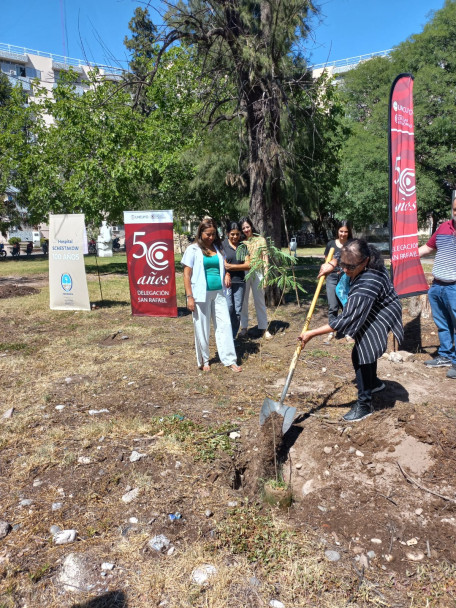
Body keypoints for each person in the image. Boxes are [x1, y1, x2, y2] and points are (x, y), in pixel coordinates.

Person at [298, 239, 404, 422]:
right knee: (364, 349)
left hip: (382, 311)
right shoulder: (359, 254)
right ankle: (373, 383)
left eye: (350, 267)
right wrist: (331, 265)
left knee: (362, 352)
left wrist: (311, 333)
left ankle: (364, 404)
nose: (345, 271)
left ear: (364, 261)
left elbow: (346, 318)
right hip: (372, 305)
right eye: (343, 265)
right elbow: (342, 255)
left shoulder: (368, 281)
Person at [182, 218, 242, 373]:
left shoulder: (218, 248)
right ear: (200, 233)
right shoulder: (193, 249)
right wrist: (189, 297)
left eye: (213, 234)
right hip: (200, 294)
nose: (210, 237)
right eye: (208, 234)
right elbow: (187, 275)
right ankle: (204, 359)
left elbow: (222, 266)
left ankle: (229, 359)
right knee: (201, 327)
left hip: (219, 293)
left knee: (225, 325)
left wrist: (227, 274)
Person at [418, 197, 456, 379]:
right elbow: (427, 248)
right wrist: (405, 255)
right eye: (455, 210)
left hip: (454, 288)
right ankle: (446, 355)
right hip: (437, 286)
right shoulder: (443, 228)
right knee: (442, 324)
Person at [319, 220, 353, 344]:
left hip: (347, 278)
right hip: (332, 278)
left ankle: (348, 331)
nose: (343, 234)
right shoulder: (331, 244)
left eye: (345, 231)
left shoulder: (351, 244)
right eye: (341, 231)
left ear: (349, 232)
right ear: (337, 231)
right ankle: (331, 331)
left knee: (346, 305)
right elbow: (326, 261)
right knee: (332, 306)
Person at [238, 217, 271, 339]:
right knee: (244, 300)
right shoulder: (241, 242)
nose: (246, 230)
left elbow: (265, 258)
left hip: (258, 271)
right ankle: (244, 327)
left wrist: (266, 276)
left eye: (247, 227)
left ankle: (263, 328)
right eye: (243, 228)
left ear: (251, 226)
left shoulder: (260, 240)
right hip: (245, 271)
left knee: (260, 300)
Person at [222, 221, 250, 339]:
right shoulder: (222, 245)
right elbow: (221, 263)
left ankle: (232, 337)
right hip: (226, 283)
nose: (235, 237)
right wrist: (226, 273)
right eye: (232, 234)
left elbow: (248, 265)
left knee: (237, 310)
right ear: (228, 233)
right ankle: (224, 335)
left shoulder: (242, 247)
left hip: (240, 282)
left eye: (237, 234)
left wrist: (231, 267)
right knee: (228, 308)